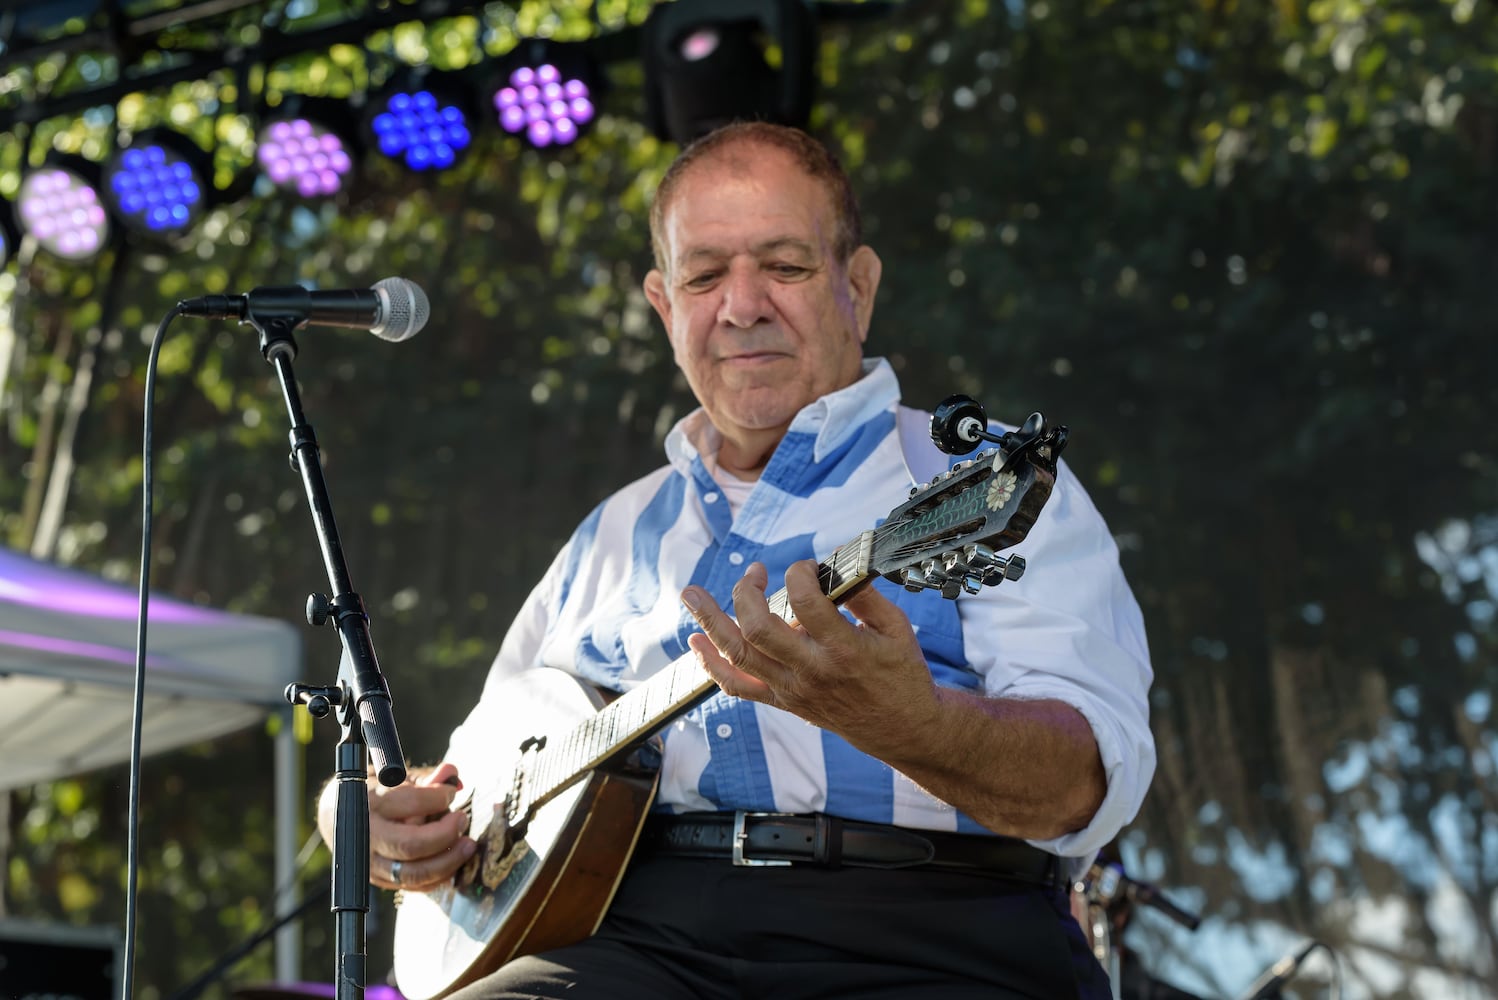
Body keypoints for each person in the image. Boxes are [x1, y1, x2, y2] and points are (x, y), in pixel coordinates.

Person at [318, 121, 1155, 1000]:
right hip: (628, 941)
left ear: (858, 287)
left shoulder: (975, 484)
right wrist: (361, 818)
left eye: (785, 266)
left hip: (933, 933)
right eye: (705, 274)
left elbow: (1082, 788)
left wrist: (912, 727)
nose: (742, 304)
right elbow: (468, 778)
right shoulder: (612, 532)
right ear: (663, 305)